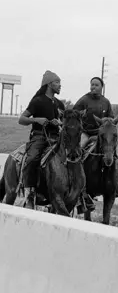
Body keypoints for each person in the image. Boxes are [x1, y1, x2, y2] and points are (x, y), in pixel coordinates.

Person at [73, 77, 118, 200]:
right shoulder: (84, 100)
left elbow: (111, 120)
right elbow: (73, 115)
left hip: (101, 135)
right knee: (79, 152)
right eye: (92, 84)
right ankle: (75, 180)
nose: (93, 87)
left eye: (96, 85)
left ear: (101, 87)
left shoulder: (106, 102)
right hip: (86, 133)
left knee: (114, 156)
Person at [19, 70, 65, 209]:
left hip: (56, 138)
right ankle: (29, 194)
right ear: (49, 84)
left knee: (75, 157)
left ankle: (79, 194)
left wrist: (60, 123)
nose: (60, 85)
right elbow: (22, 119)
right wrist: (37, 120)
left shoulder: (60, 104)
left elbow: (64, 122)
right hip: (40, 137)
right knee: (32, 158)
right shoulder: (37, 101)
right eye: (57, 82)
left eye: (60, 83)